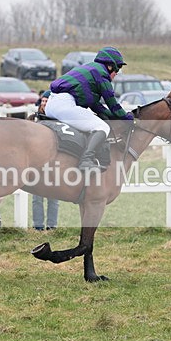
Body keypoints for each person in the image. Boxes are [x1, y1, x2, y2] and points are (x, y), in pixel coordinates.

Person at [45, 46, 133, 170]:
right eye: (118, 67)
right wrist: (127, 117)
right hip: (65, 106)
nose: (117, 72)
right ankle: (86, 160)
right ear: (109, 66)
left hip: (51, 104)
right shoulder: (102, 74)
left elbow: (97, 106)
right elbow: (113, 104)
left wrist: (113, 116)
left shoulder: (90, 71)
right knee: (102, 127)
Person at [29, 90, 59, 230]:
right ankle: (38, 226)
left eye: (47, 101)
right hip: (37, 163)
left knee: (53, 196)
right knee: (37, 197)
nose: (44, 104)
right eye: (43, 101)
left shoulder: (58, 119)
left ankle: (52, 226)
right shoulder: (35, 119)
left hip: (53, 162)